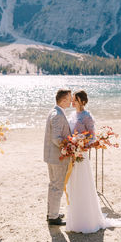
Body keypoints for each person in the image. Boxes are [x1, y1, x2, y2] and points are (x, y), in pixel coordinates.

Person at [66, 90, 121, 233]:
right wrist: (71, 144)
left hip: (81, 156)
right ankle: (75, 220)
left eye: (75, 99)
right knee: (73, 186)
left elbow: (93, 138)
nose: (72, 102)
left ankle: (87, 220)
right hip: (72, 156)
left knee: (83, 185)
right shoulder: (71, 115)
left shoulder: (87, 116)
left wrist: (82, 144)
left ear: (81, 101)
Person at [44, 89, 72, 225]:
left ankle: (51, 213)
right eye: (70, 98)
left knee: (53, 185)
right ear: (64, 99)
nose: (71, 100)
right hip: (57, 157)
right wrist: (68, 147)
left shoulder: (54, 111)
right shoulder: (58, 115)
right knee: (57, 186)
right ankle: (53, 217)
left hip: (51, 156)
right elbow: (56, 138)